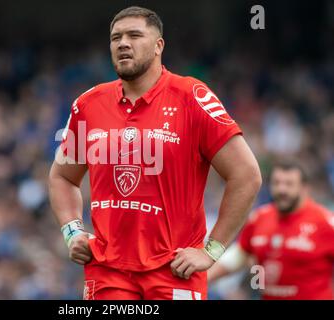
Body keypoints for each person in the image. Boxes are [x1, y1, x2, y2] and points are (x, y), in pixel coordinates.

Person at [48, 6, 262, 300]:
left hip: (174, 271)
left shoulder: (192, 97)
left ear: (159, 45)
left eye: (135, 35)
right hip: (107, 272)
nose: (123, 43)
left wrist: (212, 250)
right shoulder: (89, 104)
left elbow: (246, 175)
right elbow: (62, 176)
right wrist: (72, 232)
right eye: (116, 38)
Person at [208, 160, 334, 300]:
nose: (282, 190)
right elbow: (238, 257)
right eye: (277, 183)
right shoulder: (259, 219)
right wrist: (204, 278)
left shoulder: (326, 223)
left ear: (304, 188)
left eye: (289, 184)